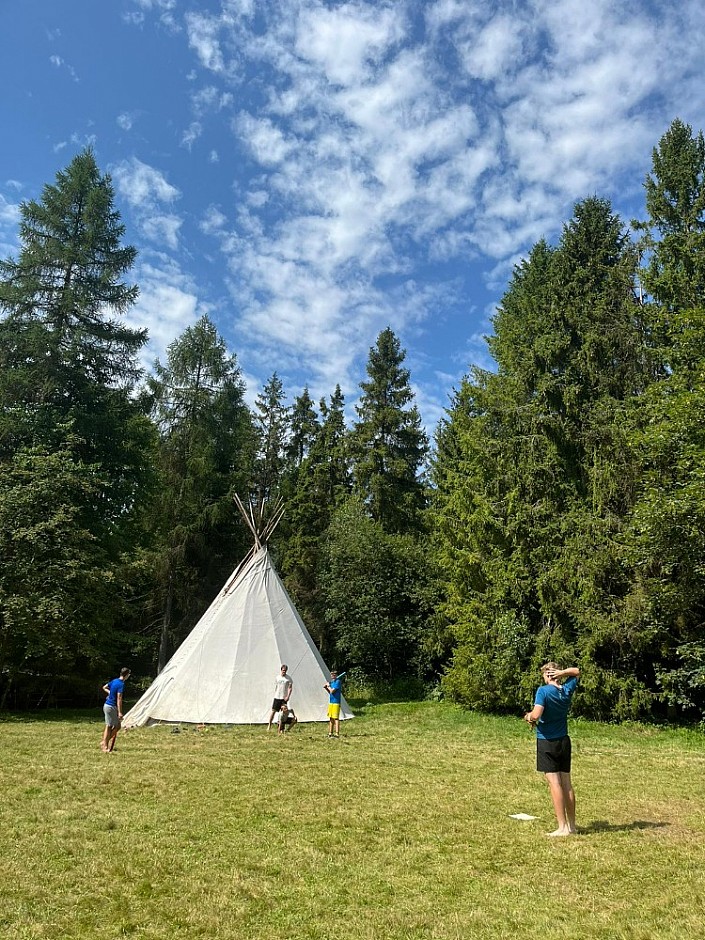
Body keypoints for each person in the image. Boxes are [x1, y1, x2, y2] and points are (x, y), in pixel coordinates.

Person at [524, 662, 580, 836]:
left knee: (554, 784)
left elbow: (537, 714)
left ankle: (562, 827)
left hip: (547, 741)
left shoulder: (543, 691)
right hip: (564, 741)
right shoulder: (566, 690)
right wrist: (563, 673)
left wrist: (528, 717)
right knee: (567, 784)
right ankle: (572, 826)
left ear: (547, 675)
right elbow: (577, 672)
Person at [101, 667, 130, 753]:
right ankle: (104, 746)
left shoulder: (114, 681)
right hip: (110, 706)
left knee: (117, 726)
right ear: (127, 675)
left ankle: (104, 742)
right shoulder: (121, 684)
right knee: (109, 726)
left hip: (108, 706)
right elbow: (119, 698)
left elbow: (104, 687)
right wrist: (120, 712)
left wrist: (110, 693)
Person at [267, 664, 293, 730]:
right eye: (283, 670)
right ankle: (269, 725)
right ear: (281, 670)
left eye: (285, 670)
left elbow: (290, 688)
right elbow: (275, 686)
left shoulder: (288, 678)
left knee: (283, 714)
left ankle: (281, 728)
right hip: (277, 697)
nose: (284, 671)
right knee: (273, 712)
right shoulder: (277, 677)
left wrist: (288, 696)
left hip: (284, 698)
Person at [324, 669, 344, 738]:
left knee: (336, 718)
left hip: (336, 702)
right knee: (331, 718)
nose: (333, 676)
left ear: (336, 675)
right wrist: (326, 687)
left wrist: (328, 686)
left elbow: (332, 691)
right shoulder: (332, 682)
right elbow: (330, 692)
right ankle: (330, 733)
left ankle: (337, 734)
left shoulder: (337, 682)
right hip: (331, 702)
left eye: (334, 675)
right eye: (332, 674)